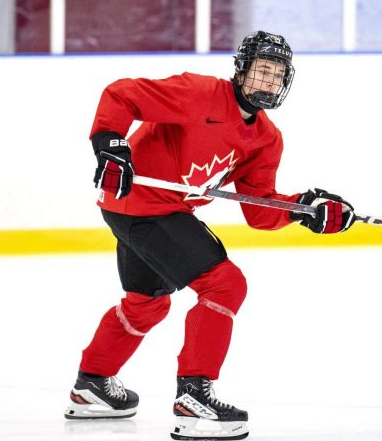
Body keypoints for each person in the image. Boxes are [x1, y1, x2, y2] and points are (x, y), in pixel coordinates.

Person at [64, 30, 356, 440]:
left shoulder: (266, 139)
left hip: (146, 210)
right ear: (241, 70)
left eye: (278, 74)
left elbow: (259, 209)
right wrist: (111, 143)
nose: (269, 81)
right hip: (143, 203)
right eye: (262, 71)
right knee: (225, 285)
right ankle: (194, 397)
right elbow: (121, 95)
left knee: (146, 305)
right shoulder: (198, 93)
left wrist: (304, 210)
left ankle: (92, 385)